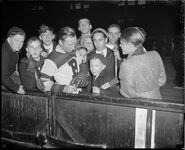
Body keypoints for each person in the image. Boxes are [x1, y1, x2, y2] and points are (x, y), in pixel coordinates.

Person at [119, 27, 166, 99]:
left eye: (121, 43)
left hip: (139, 106)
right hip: (157, 100)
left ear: (129, 44)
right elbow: (162, 80)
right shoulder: (155, 54)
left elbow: (127, 93)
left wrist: (119, 89)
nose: (120, 45)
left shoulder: (126, 64)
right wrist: (151, 91)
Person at [38, 27, 89, 94]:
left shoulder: (73, 51)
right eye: (70, 45)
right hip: (63, 98)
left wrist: (82, 75)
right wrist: (64, 88)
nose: (73, 47)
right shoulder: (51, 59)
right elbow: (42, 84)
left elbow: (82, 65)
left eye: (74, 44)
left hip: (79, 94)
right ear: (60, 42)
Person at [2, 26, 26, 94]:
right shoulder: (4, 53)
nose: (19, 44)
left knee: (23, 80)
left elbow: (14, 58)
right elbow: (3, 76)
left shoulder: (12, 48)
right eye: (16, 40)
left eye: (22, 41)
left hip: (7, 75)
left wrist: (15, 70)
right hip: (3, 78)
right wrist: (16, 88)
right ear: (9, 40)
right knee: (24, 85)